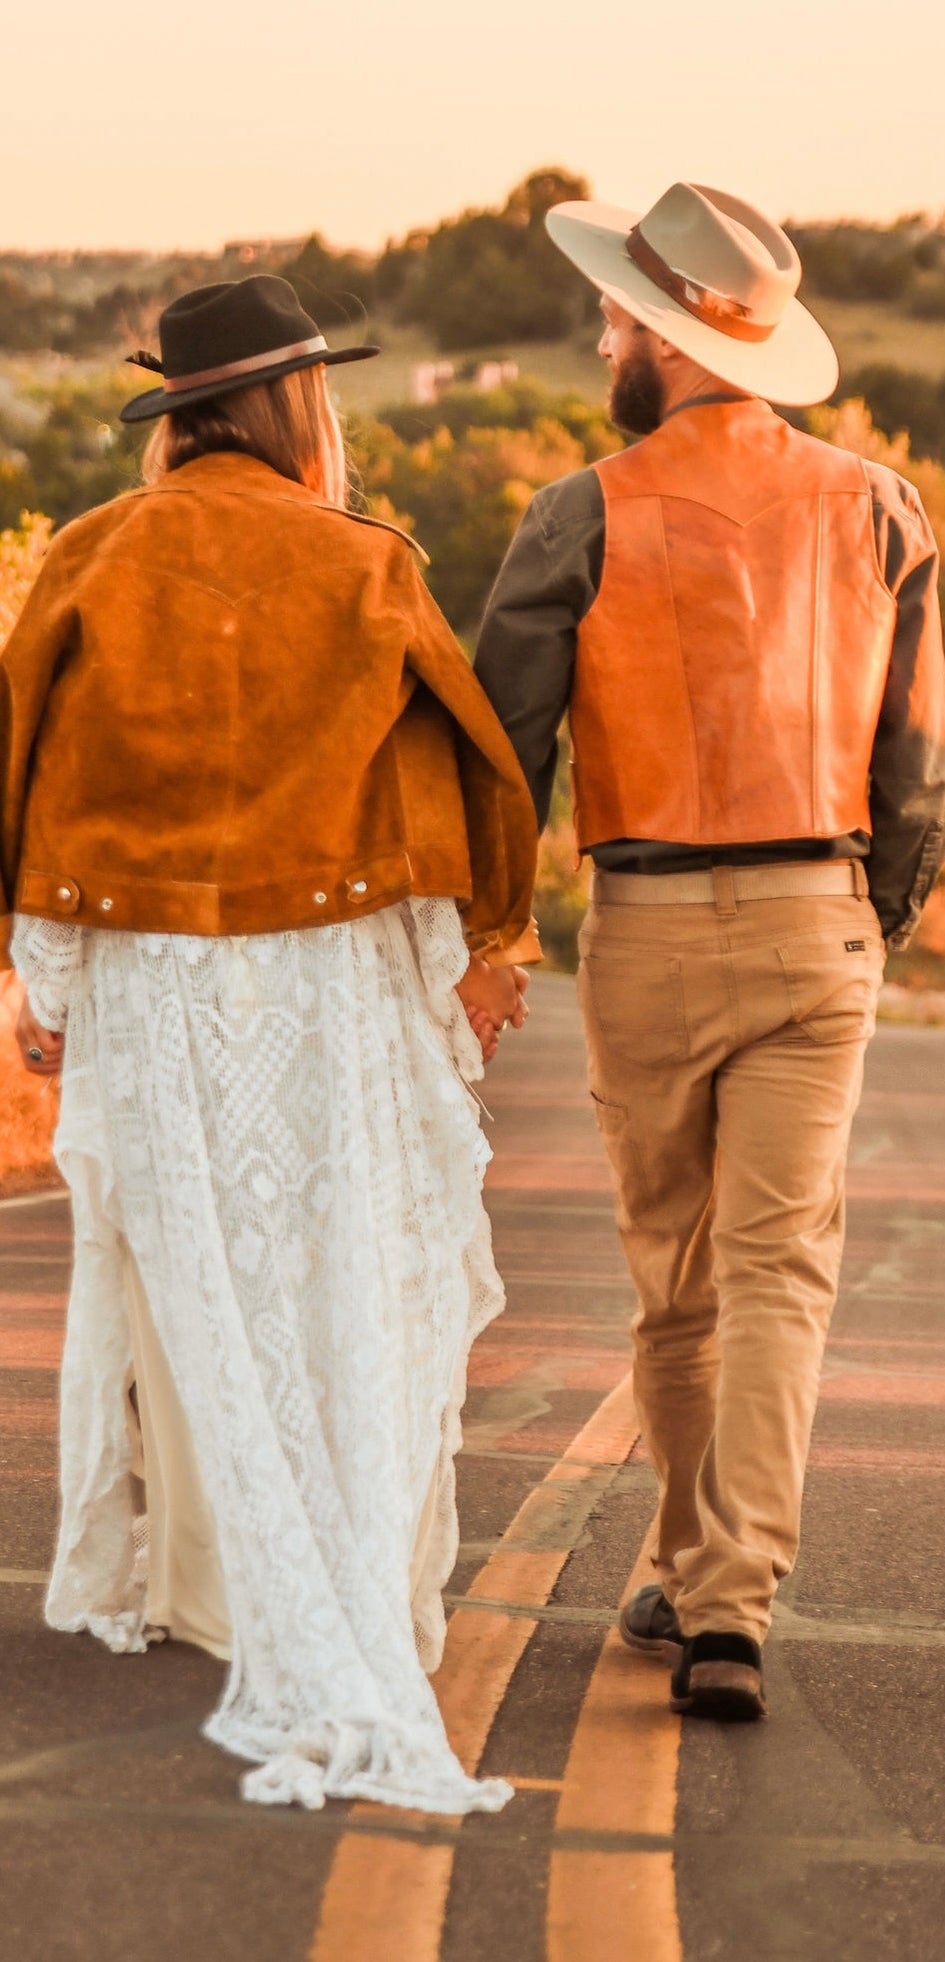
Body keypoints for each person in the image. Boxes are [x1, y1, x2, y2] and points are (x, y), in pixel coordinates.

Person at [3, 275, 539, 1813]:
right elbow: (446, 779)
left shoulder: (94, 555)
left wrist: (43, 974)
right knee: (344, 1266)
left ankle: (222, 1588)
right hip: (330, 967)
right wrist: (465, 956)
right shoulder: (364, 559)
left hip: (156, 968)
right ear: (299, 405)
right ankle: (341, 1576)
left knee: (197, 1276)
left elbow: (33, 777)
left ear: (179, 416)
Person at [476, 183, 945, 1719]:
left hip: (652, 922)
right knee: (779, 1276)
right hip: (822, 916)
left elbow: (500, 752)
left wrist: (493, 928)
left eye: (614, 314)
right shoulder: (880, 505)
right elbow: (922, 771)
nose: (601, 333)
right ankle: (726, 1599)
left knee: (676, 1278)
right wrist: (864, 920)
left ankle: (697, 1569)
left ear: (660, 338)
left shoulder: (581, 508)